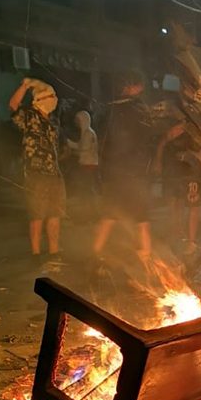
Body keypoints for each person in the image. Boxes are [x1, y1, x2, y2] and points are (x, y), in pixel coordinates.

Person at [93, 72, 155, 262]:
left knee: (109, 216)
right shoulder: (138, 109)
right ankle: (146, 256)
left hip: (114, 173)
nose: (141, 90)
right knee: (141, 218)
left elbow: (101, 142)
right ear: (132, 87)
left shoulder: (108, 110)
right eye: (139, 86)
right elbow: (147, 138)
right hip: (133, 173)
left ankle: (95, 253)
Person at [9, 78, 65, 263]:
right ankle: (35, 253)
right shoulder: (29, 116)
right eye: (50, 96)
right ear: (39, 99)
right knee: (37, 214)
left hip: (54, 174)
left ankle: (54, 251)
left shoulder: (54, 121)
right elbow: (13, 105)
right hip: (35, 174)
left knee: (55, 213)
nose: (54, 100)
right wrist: (25, 85)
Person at [65, 110, 100, 223]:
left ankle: (88, 215)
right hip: (90, 164)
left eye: (78, 120)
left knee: (86, 191)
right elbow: (81, 147)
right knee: (88, 191)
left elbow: (83, 149)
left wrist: (70, 149)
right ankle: (91, 214)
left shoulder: (87, 134)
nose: (76, 122)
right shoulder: (88, 132)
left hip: (87, 165)